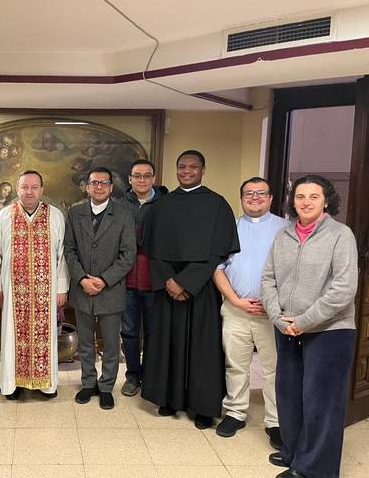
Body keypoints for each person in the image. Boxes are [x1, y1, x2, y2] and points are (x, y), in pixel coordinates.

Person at [261, 175, 358, 478]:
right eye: (300, 196)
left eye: (313, 196)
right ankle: (293, 452)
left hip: (329, 331)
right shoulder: (284, 235)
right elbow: (268, 280)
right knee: (290, 394)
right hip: (287, 328)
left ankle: (314, 469)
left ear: (327, 200)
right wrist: (279, 318)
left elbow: (343, 289)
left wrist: (304, 321)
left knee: (321, 401)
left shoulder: (341, 235)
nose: (305, 202)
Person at [141, 150, 240, 429]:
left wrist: (186, 282)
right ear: (176, 169)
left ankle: (203, 406)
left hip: (201, 289)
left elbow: (218, 252)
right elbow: (152, 251)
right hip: (167, 288)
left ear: (203, 170)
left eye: (193, 167)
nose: (187, 171)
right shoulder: (161, 206)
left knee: (203, 349)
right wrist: (169, 281)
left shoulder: (217, 204)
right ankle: (168, 399)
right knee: (167, 344)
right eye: (182, 167)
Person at [212, 177, 288, 449]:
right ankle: (235, 412)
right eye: (248, 194)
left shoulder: (286, 228)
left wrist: (274, 304)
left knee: (274, 368)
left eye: (260, 193)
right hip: (236, 309)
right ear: (241, 197)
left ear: (270, 198)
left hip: (273, 313)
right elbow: (217, 268)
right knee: (236, 364)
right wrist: (235, 300)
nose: (254, 198)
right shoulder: (228, 228)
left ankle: (276, 421)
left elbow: (293, 271)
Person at [0, 170, 69, 400]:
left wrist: (62, 288)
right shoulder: (4, 216)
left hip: (47, 291)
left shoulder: (55, 216)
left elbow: (62, 255)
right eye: (25, 187)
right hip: (14, 292)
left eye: (34, 187)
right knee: (13, 337)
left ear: (42, 190)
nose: (29, 191)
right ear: (17, 189)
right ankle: (13, 385)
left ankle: (46, 385)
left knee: (46, 336)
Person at [64, 166, 136, 410]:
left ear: (111, 187)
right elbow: (69, 250)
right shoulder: (75, 213)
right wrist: (83, 279)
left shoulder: (124, 215)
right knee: (85, 342)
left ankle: (106, 387)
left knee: (111, 344)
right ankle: (88, 383)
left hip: (110, 290)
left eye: (104, 183)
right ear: (87, 186)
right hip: (82, 289)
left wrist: (103, 280)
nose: (98, 187)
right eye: (94, 183)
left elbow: (128, 255)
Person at [113, 159, 168, 397]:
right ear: (130, 179)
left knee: (156, 331)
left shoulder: (166, 203)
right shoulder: (118, 205)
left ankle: (153, 377)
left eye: (147, 176)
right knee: (130, 331)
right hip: (126, 282)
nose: (142, 180)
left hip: (156, 282)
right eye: (137, 176)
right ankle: (133, 375)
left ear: (154, 178)